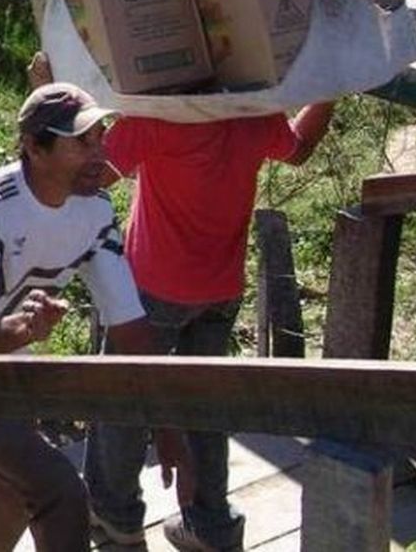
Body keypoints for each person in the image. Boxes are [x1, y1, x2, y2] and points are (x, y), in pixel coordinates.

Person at [25, 57, 335, 551]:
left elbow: (85, 176)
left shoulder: (156, 120)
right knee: (202, 403)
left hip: (152, 289)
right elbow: (298, 150)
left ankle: (115, 516)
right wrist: (331, 87)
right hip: (220, 290)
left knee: (124, 397)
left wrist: (49, 98)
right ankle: (210, 524)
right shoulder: (253, 113)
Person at [0, 82, 191, 552]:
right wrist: (23, 328)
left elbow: (131, 328)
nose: (100, 153)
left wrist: (170, 429)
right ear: (34, 147)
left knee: (10, 487)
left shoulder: (95, 211)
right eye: (82, 142)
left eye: (101, 137)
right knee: (60, 488)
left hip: (5, 365)